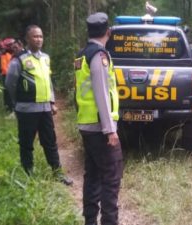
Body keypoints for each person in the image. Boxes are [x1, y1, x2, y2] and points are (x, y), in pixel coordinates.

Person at [5, 25, 72, 186]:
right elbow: (10, 83)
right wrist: (17, 103)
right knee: (26, 143)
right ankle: (28, 174)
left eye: (41, 36)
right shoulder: (19, 60)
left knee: (50, 141)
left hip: (44, 108)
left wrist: (52, 101)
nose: (39, 39)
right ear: (27, 39)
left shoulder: (45, 58)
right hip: (27, 109)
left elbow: (47, 81)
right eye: (35, 36)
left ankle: (57, 173)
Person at [74, 12, 123, 225]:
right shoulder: (99, 55)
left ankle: (90, 221)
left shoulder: (82, 54)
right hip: (100, 127)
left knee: (92, 176)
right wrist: (110, 129)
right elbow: (102, 93)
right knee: (111, 179)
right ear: (107, 32)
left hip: (87, 124)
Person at [0, 38, 15, 112]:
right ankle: (9, 109)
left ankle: (13, 107)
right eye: (11, 45)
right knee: (7, 93)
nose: (13, 46)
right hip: (6, 76)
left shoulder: (13, 54)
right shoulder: (4, 55)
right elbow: (4, 68)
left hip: (12, 75)